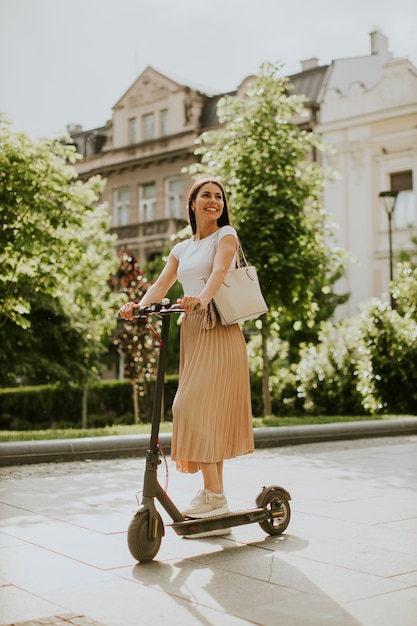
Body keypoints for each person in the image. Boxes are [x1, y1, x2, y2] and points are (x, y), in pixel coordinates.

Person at [119, 177, 255, 534]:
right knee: (205, 410)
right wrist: (140, 305)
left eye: (219, 197)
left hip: (218, 326)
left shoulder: (226, 236)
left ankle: (213, 495)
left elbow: (220, 272)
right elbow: (162, 285)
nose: (214, 201)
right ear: (192, 203)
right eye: (206, 196)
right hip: (192, 330)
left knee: (191, 406)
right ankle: (217, 498)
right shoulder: (181, 248)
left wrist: (202, 299)